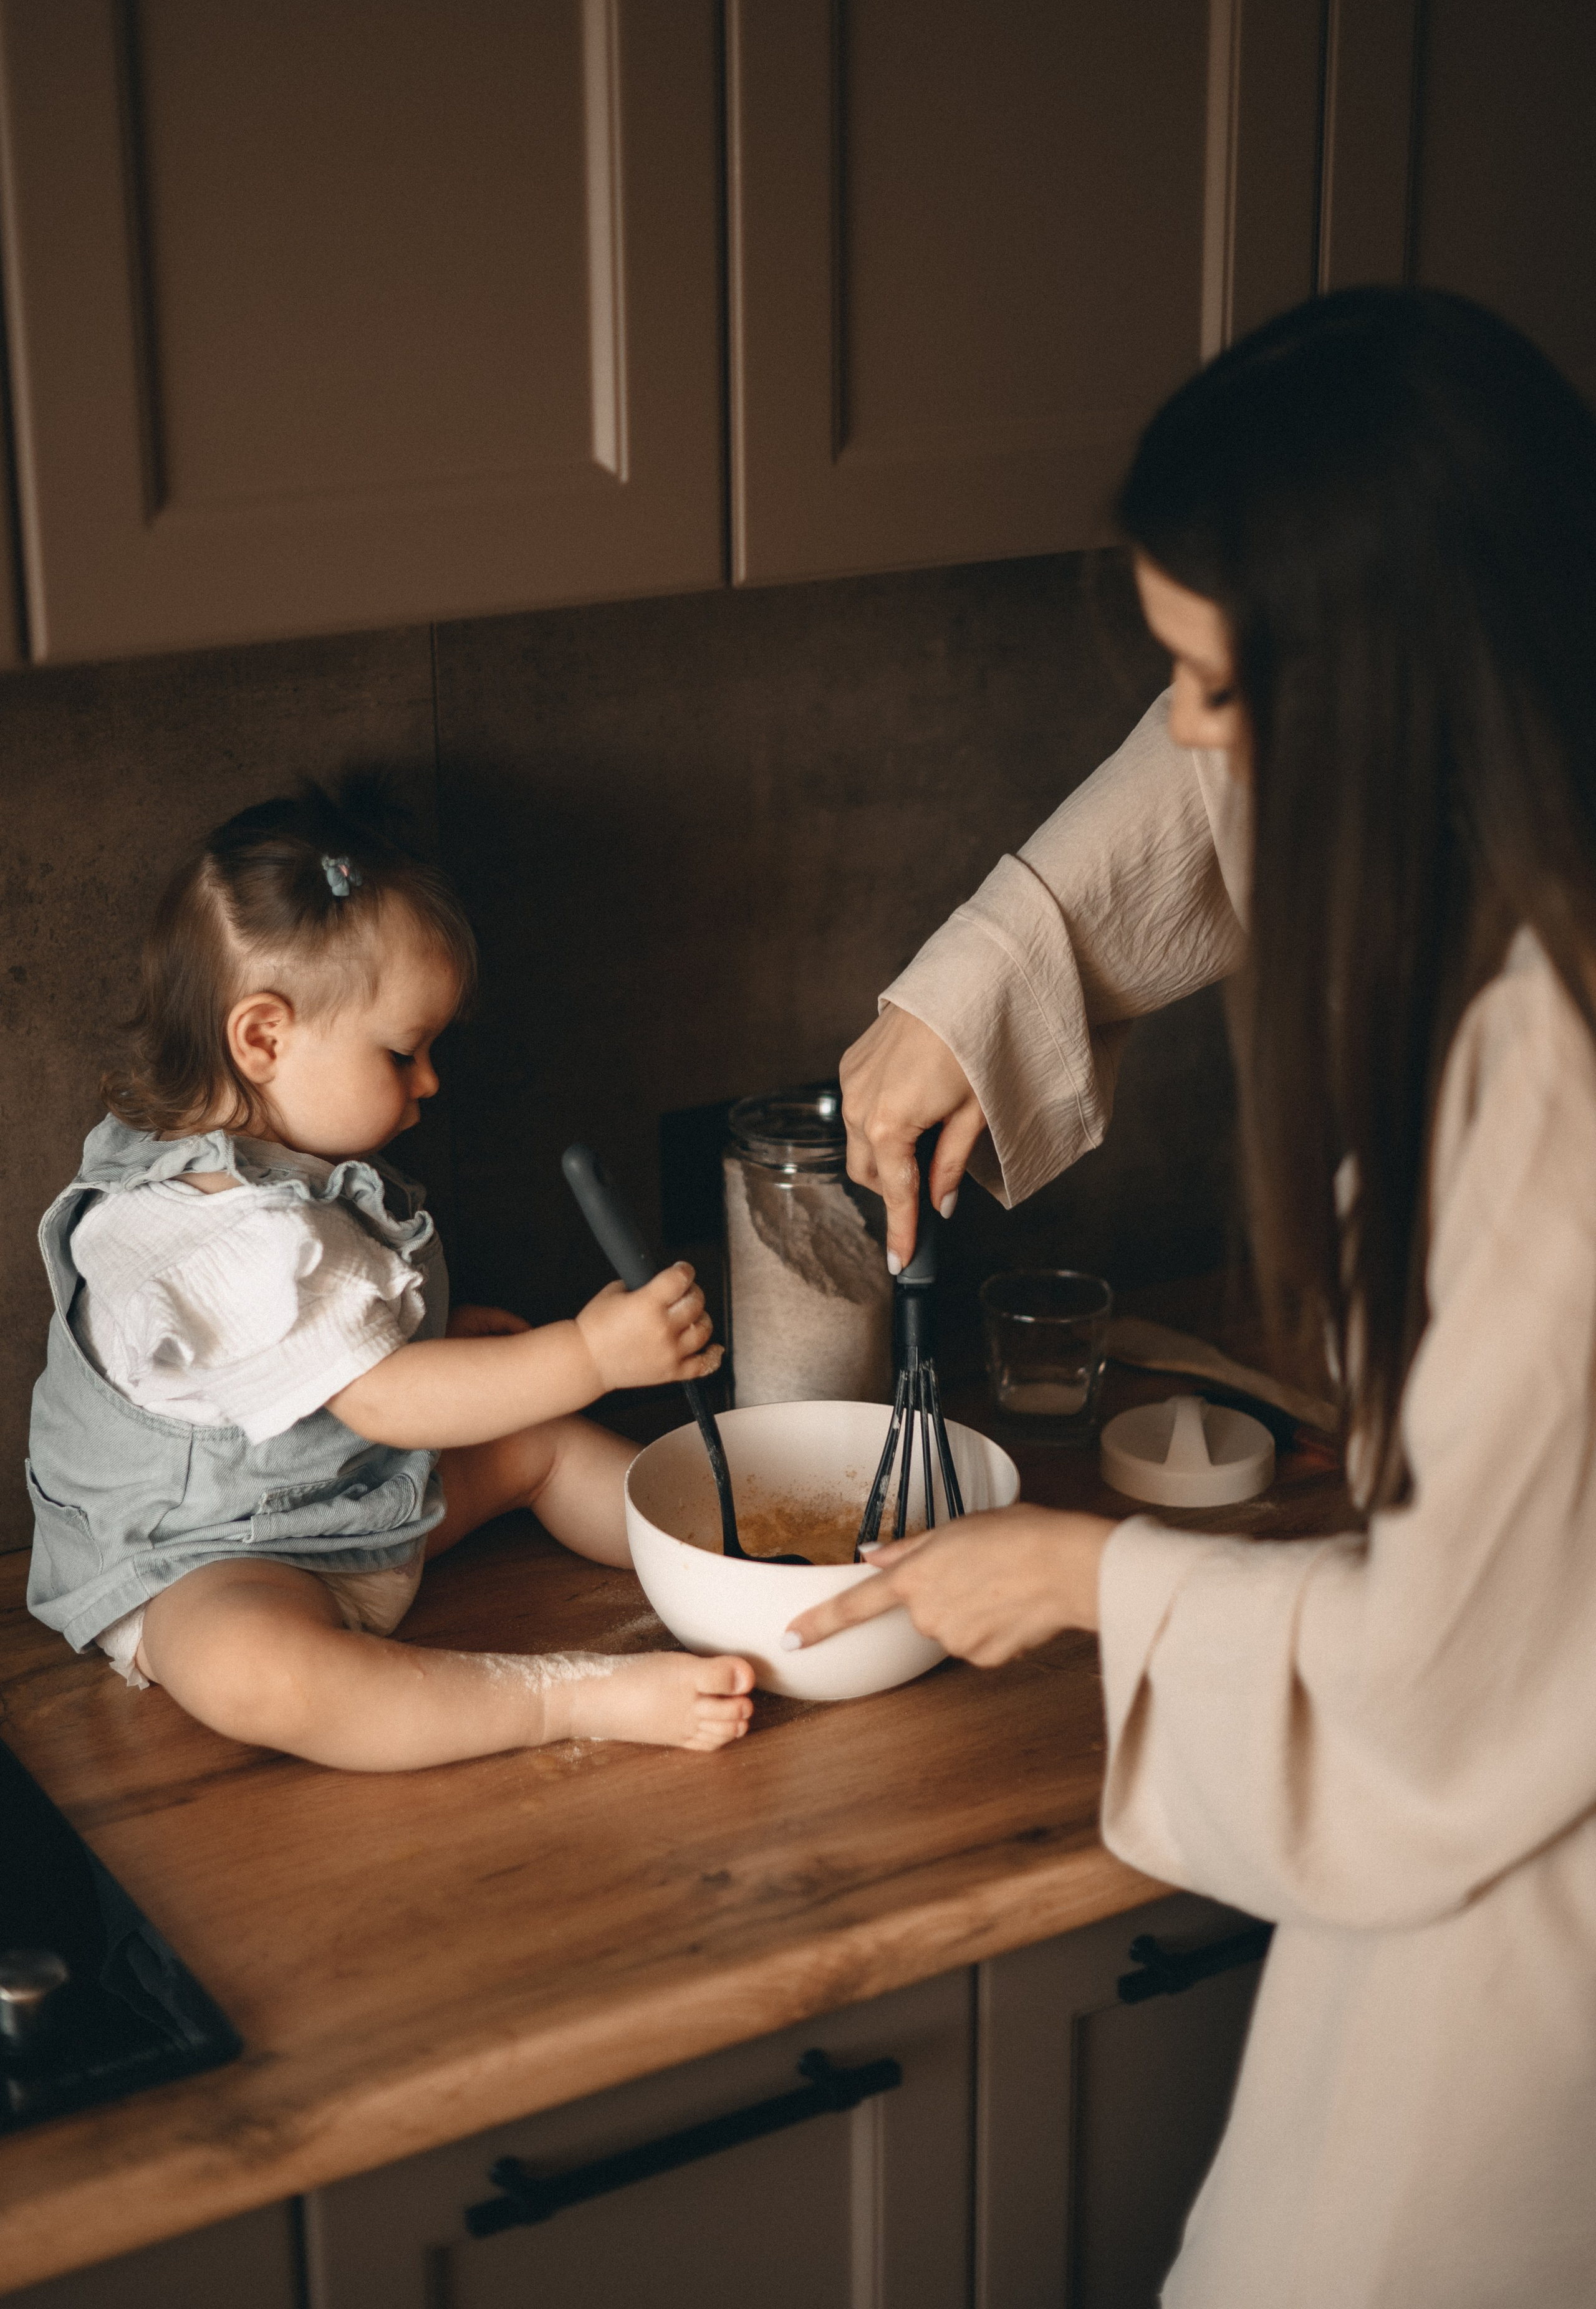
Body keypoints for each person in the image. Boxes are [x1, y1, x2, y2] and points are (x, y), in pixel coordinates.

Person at [788, 289, 1596, 2304]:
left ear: (1400, 691)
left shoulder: (1550, 1085)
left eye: (1216, 685)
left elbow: (1431, 1689)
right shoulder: (1520, 750)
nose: (1195, 739)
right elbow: (1216, 789)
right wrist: (984, 978)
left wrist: (1080, 1578)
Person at [26, 785, 754, 1768]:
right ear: (264, 1037)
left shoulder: (274, 1166)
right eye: (404, 1052)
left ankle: (737, 1552)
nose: (431, 1082)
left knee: (533, 1437)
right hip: (213, 1553)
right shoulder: (214, 1236)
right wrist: (586, 1353)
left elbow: (344, 1357)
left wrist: (460, 1357)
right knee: (259, 1671)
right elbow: (387, 1398)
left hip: (357, 1496)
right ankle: (568, 1698)